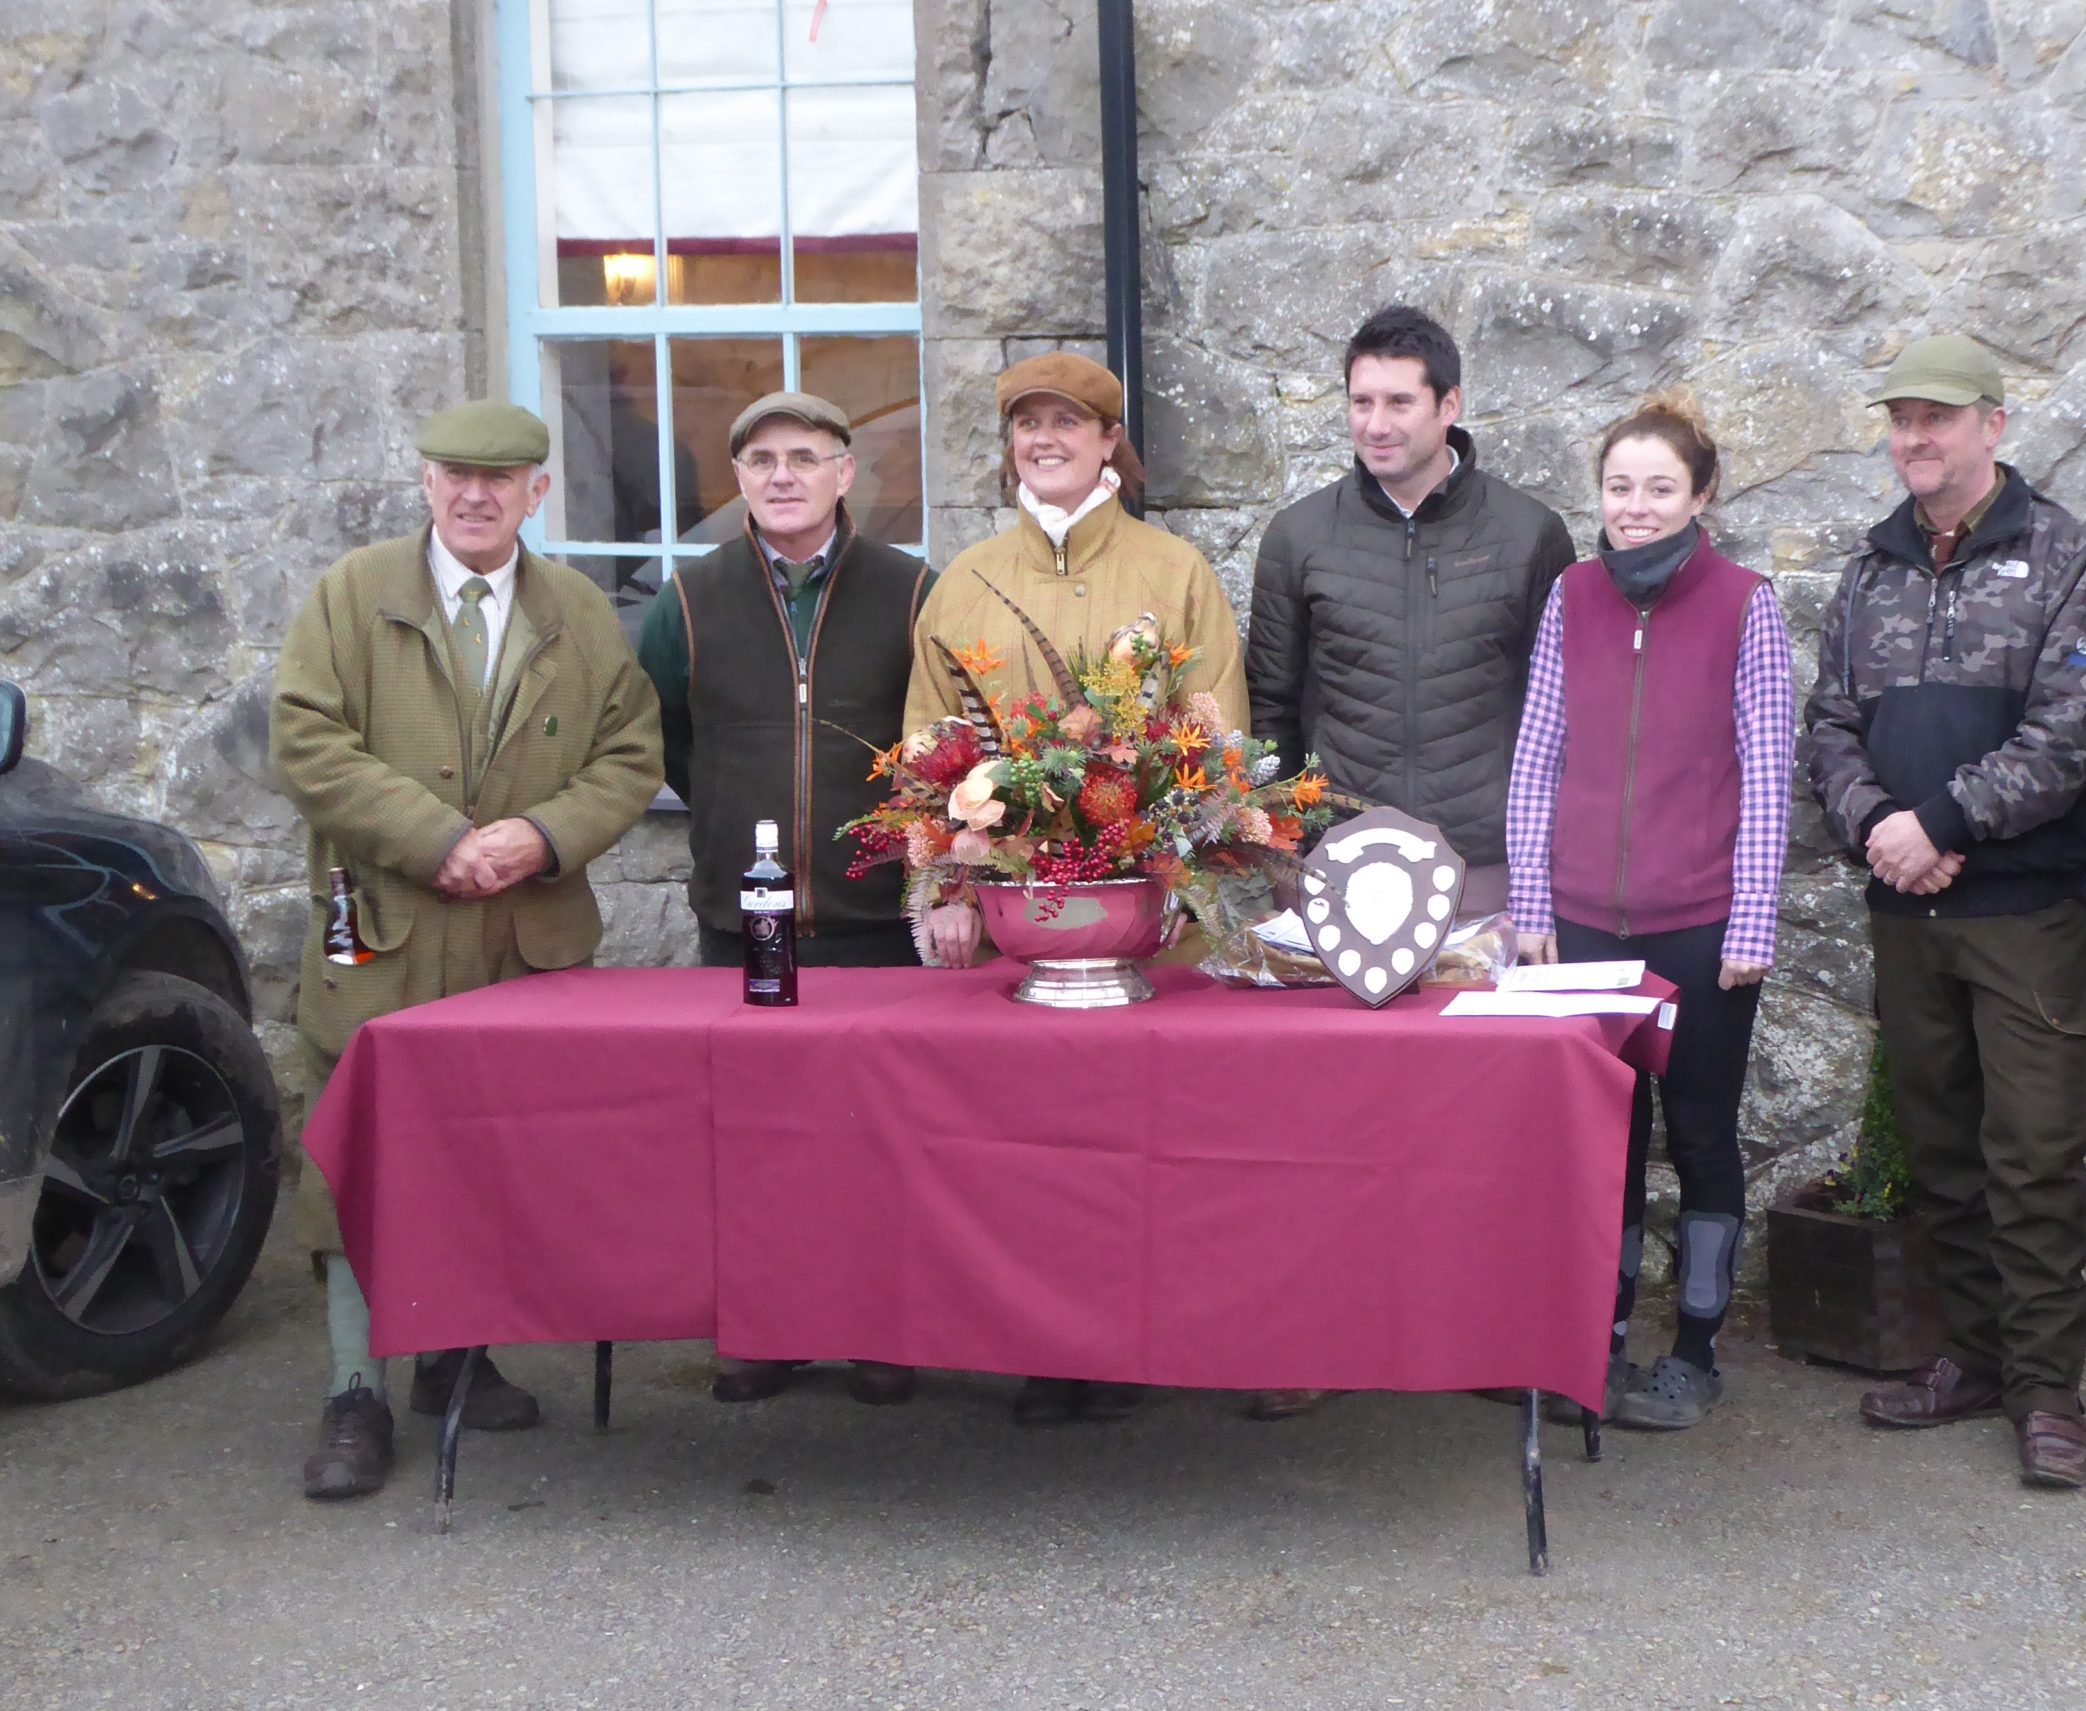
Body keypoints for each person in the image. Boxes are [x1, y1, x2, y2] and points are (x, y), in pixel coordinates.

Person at [271, 400, 663, 1499]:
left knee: (492, 1152)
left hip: (520, 939)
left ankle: (455, 1358)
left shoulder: (579, 611)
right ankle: (356, 1388)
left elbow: (630, 756)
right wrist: (436, 838)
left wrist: (539, 837)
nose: (475, 494)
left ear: (538, 492)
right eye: (454, 474)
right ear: (428, 482)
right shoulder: (353, 597)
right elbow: (307, 739)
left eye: (500, 479)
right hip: (383, 933)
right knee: (357, 1151)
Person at [1801, 334, 2086, 1490]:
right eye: (1899, 419)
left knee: (2032, 1154)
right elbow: (1827, 725)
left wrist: (1937, 823)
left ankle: (2048, 1391)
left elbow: (2063, 736)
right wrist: (1877, 824)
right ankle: (1974, 1357)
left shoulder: (2065, 558)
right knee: (1942, 1151)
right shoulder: (1869, 572)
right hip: (1908, 915)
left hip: (2022, 916)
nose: (1913, 439)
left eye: (1935, 419)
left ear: (1993, 425)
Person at [902, 349, 1246, 1427]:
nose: (1042, 440)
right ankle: (1049, 1347)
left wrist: (1190, 876)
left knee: (1144, 1142)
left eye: (1066, 423)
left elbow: (1215, 740)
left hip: (1146, 917)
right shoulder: (965, 579)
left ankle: (1152, 1336)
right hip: (1017, 928)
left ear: (1109, 443)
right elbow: (932, 748)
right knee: (1028, 1145)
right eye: (1024, 425)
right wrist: (945, 892)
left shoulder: (1173, 569)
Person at [637, 389, 935, 1408]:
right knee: (756, 1142)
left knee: (875, 1141)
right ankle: (764, 1332)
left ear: (845, 473)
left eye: (804, 457)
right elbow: (667, 734)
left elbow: (941, 746)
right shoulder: (690, 599)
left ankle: (880, 1332)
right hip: (745, 921)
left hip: (874, 919)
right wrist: (729, 811)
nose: (782, 476)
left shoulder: (908, 591)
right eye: (761, 459)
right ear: (739, 480)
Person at [1505, 389, 1791, 1429]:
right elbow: (1537, 752)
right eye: (1619, 486)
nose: (1635, 506)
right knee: (1602, 1137)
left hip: (1700, 925)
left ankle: (1697, 1350)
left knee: (1702, 1131)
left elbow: (1767, 767)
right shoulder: (1571, 595)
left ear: (1700, 494)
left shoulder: (1743, 600)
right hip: (1582, 926)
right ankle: (1600, 1336)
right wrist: (1531, 899)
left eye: (1658, 487)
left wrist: (1751, 916)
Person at [1245, 304, 1576, 917]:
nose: (1375, 424)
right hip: (1337, 869)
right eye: (1360, 402)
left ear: (1448, 405)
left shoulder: (1531, 534)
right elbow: (1270, 706)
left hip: (1486, 870)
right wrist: (1284, 852)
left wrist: (1540, 858)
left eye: (1399, 402)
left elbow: (1558, 713)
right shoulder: (1299, 536)